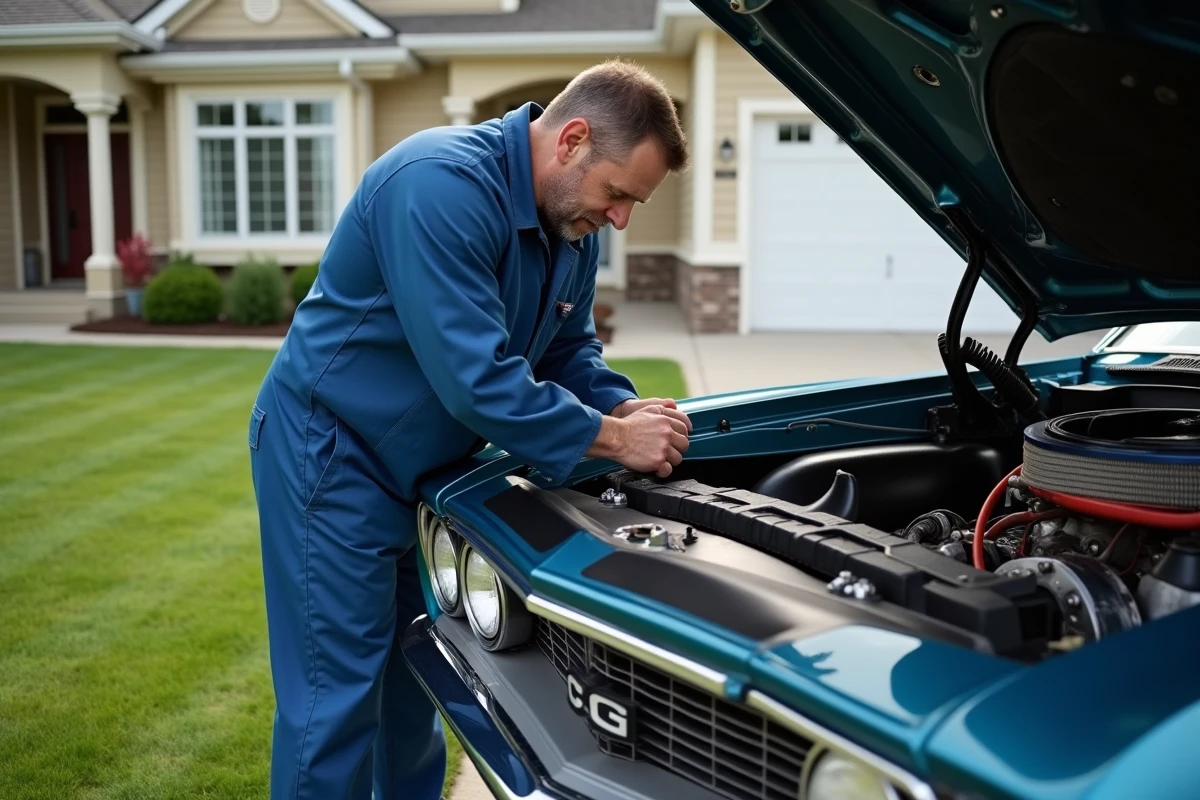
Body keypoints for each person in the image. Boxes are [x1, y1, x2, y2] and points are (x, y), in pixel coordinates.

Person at [247, 60, 693, 800]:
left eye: (633, 204)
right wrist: (612, 442)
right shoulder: (438, 186)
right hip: (329, 458)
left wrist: (624, 412)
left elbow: (567, 351)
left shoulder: (569, 224)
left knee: (412, 689)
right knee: (335, 705)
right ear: (572, 139)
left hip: (422, 472)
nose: (620, 219)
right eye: (618, 194)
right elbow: (476, 380)